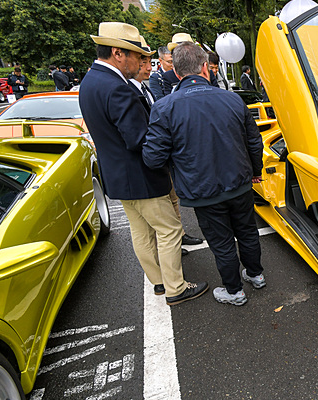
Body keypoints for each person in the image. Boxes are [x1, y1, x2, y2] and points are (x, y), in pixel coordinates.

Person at [79, 21, 208, 306]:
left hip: (117, 176)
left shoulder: (90, 81)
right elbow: (139, 139)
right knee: (170, 230)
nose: (141, 62)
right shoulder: (118, 88)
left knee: (141, 233)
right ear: (117, 53)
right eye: (137, 56)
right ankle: (176, 287)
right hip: (141, 175)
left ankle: (160, 282)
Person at [143, 42, 265, 306]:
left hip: (201, 190)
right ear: (204, 67)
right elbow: (254, 141)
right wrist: (256, 171)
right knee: (247, 231)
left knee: (221, 242)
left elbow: (153, 158)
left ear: (176, 72)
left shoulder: (164, 108)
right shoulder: (232, 99)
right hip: (240, 182)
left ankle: (234, 291)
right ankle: (255, 275)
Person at [129, 37, 204, 249]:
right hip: (161, 151)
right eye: (144, 63)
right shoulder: (152, 84)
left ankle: (180, 235)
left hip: (166, 151)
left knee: (173, 200)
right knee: (165, 210)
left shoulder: (146, 88)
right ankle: (174, 243)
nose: (146, 67)